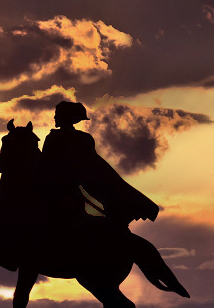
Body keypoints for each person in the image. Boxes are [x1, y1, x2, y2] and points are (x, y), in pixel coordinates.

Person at [39, 101, 159, 236]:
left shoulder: (66, 138)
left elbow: (88, 167)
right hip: (58, 187)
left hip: (65, 190)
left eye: (57, 115)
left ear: (66, 117)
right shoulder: (68, 138)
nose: (54, 118)